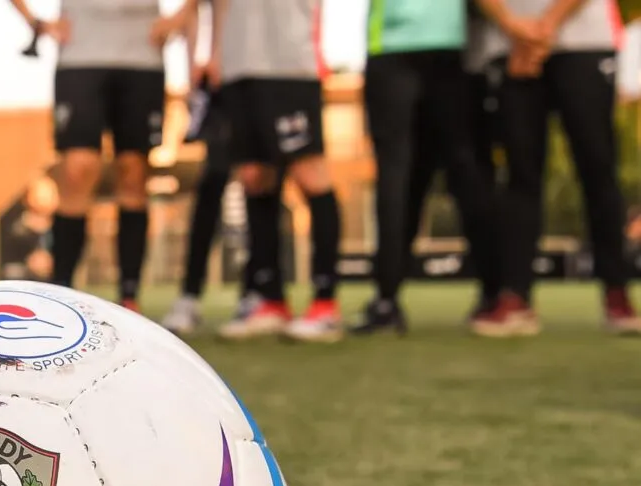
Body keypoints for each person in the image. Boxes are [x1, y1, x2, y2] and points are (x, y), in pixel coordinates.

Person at [9, 0, 187, 313]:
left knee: (133, 172)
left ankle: (129, 295)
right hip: (81, 57)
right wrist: (36, 22)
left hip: (142, 57)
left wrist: (182, 15)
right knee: (78, 169)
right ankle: (60, 292)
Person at [473, 0, 639, 336]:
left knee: (597, 169)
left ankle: (617, 294)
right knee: (520, 173)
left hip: (584, 42)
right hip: (508, 45)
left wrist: (545, 25)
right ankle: (516, 297)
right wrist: (512, 26)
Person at [351, 0, 502, 336]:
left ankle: (387, 300)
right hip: (448, 43)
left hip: (391, 45)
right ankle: (495, 294)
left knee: (396, 174)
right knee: (465, 170)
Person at [213, 0, 344, 343]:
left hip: (289, 64)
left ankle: (325, 303)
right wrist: (216, 53)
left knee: (309, 174)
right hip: (237, 66)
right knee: (255, 177)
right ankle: (270, 299)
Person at [163, 0, 269, 335]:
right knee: (214, 182)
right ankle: (190, 295)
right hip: (220, 80)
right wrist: (198, 62)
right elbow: (196, 10)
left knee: (259, 181)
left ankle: (257, 290)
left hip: (259, 74)